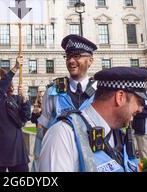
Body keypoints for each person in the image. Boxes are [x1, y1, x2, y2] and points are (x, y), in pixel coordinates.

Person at [38, 67, 147, 172]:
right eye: (139, 102)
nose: (141, 109)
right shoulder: (63, 135)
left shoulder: (119, 136)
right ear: (120, 97)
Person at [32, 35, 98, 171]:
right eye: (68, 57)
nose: (71, 61)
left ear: (90, 60)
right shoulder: (53, 92)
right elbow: (42, 132)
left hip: (94, 162)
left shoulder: (100, 93)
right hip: (61, 162)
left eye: (76, 56)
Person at [0, 56, 31, 172]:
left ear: (3, 79)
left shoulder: (14, 99)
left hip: (16, 149)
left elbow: (25, 117)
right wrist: (15, 68)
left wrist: (24, 100)